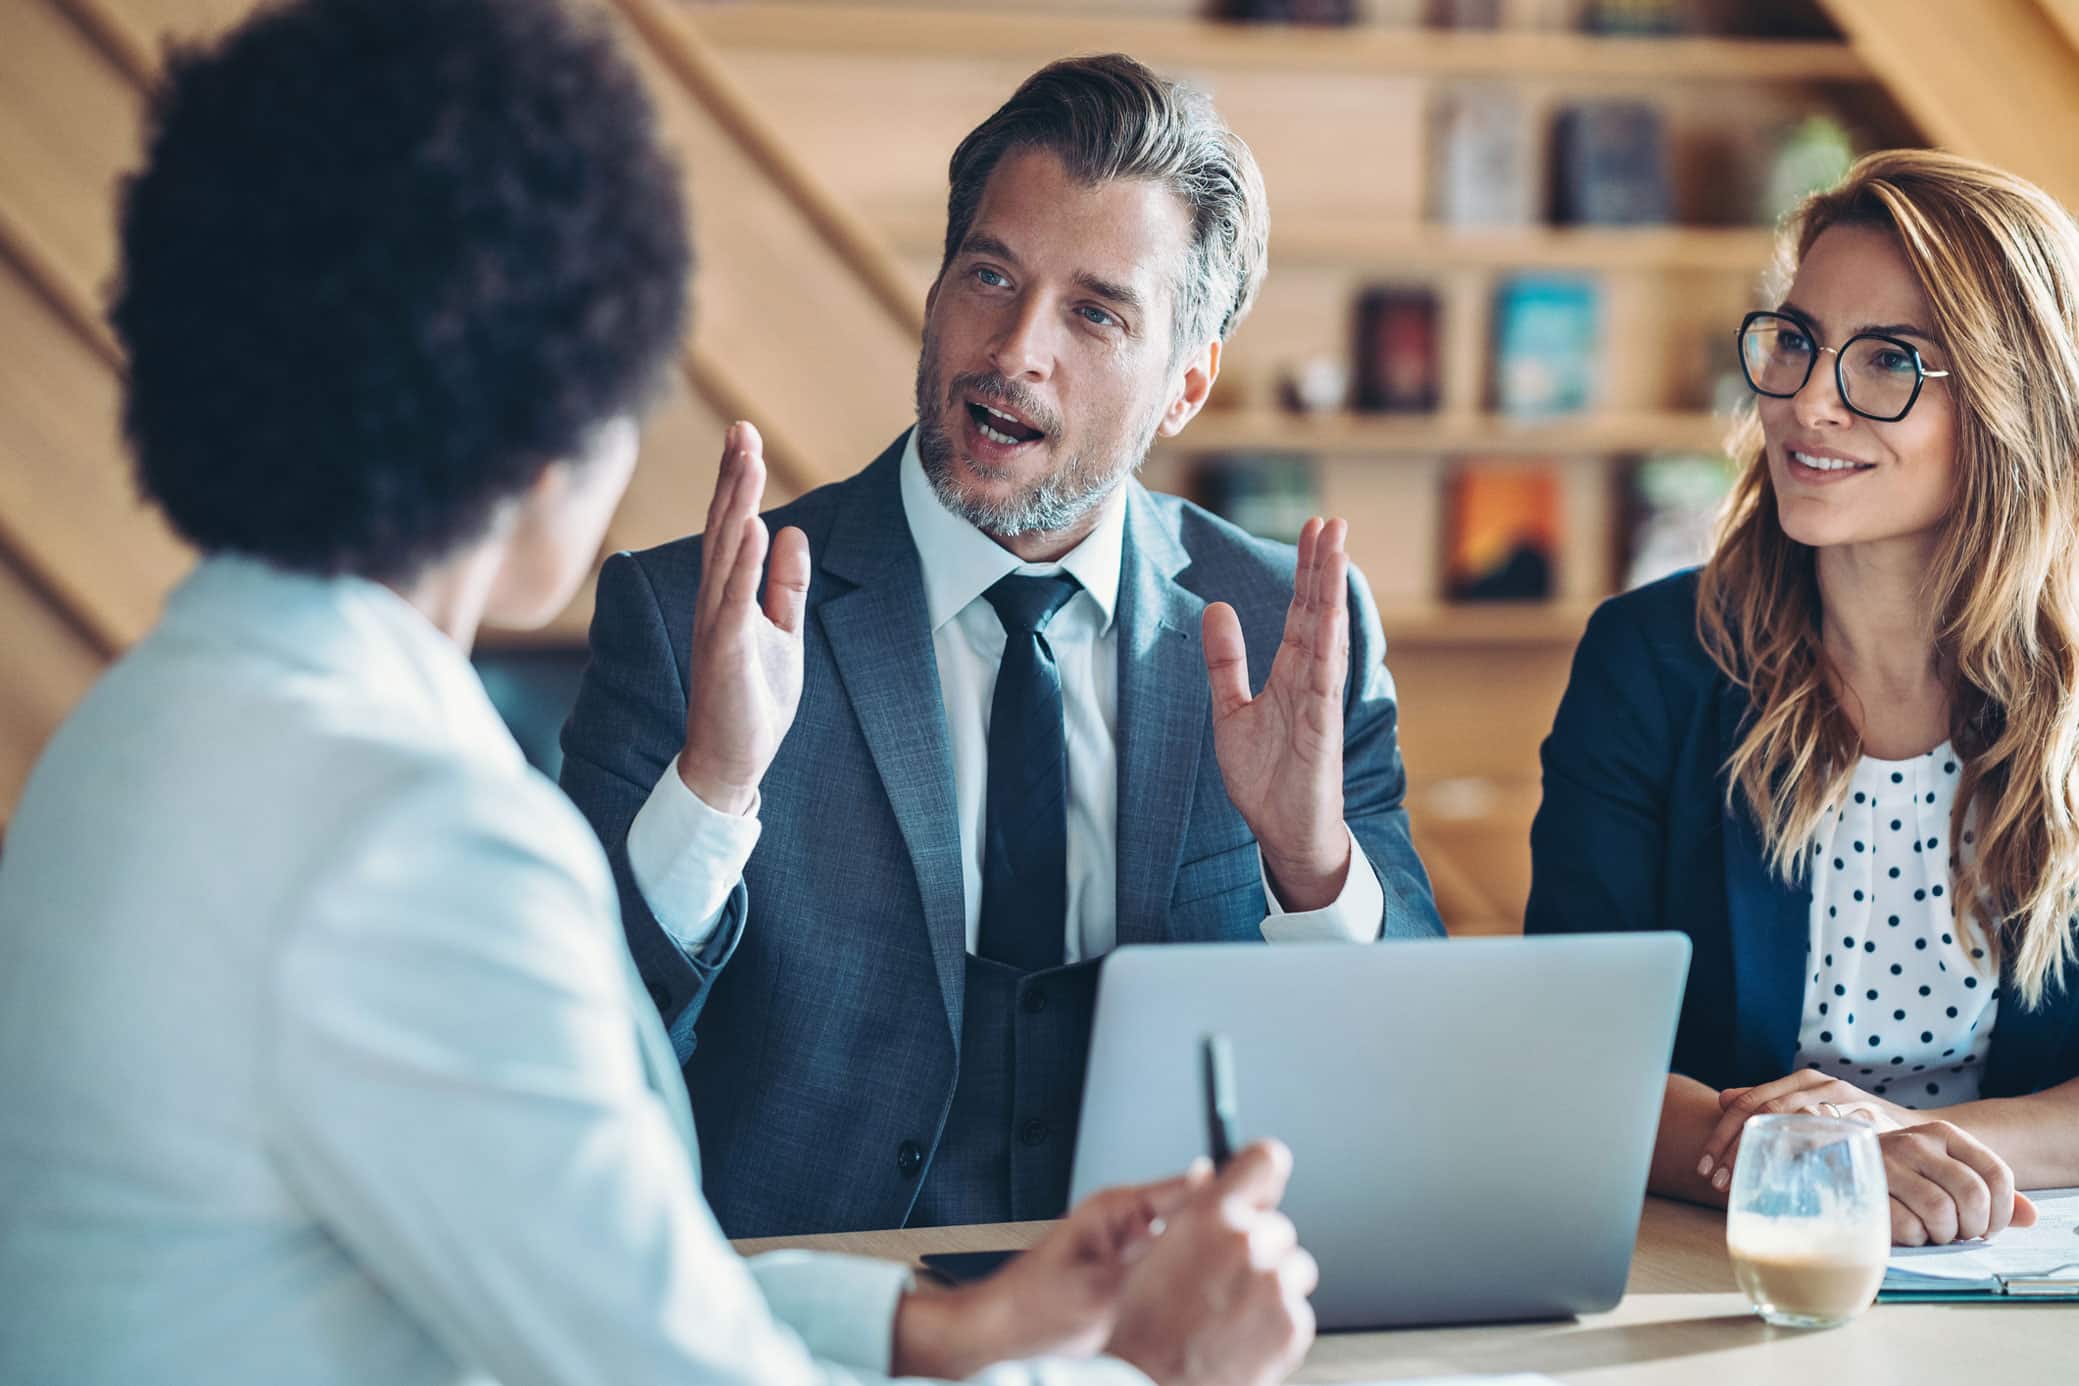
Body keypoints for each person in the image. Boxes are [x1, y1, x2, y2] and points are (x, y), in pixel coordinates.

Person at [0, 3, 1319, 1382]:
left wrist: (941, 1328)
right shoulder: (415, 841)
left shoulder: (136, 723)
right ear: (544, 413)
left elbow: (606, 1274)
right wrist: (1144, 1367)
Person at [558, 52, 1445, 1239]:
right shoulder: (694, 619)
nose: (1017, 349)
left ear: (1186, 383)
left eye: (1095, 312)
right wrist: (711, 791)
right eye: (989, 274)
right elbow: (569, 1048)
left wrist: (1312, 864)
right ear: (935, 292)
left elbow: (1414, 1062)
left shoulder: (1293, 633)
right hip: (813, 1326)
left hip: (1168, 1317)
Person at [1527, 149, 2079, 1246]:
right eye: (1795, 342)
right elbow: (1570, 1057)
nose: (1808, 403)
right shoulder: (1652, 663)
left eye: (1888, 361)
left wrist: (1910, 1149)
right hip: (1727, 1261)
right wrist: (1806, 1161)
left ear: (2013, 402)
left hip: (2026, 1265)